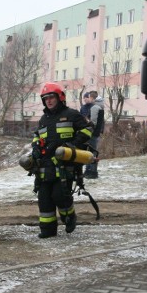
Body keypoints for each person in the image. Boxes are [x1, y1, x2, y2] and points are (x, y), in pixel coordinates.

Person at [30, 82, 93, 238]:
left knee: (60, 195)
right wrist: (35, 147)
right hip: (45, 165)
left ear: (59, 97)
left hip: (65, 165)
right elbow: (37, 136)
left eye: (51, 97)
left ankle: (69, 217)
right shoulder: (43, 119)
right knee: (44, 198)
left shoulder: (72, 114)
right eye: (46, 99)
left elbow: (88, 129)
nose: (49, 101)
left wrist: (72, 145)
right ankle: (47, 230)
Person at [84, 90, 104, 178]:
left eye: (89, 97)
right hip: (96, 133)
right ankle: (92, 171)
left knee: (90, 152)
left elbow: (93, 122)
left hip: (92, 133)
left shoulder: (95, 107)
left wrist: (86, 121)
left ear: (92, 98)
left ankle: (90, 172)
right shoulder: (101, 106)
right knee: (93, 151)